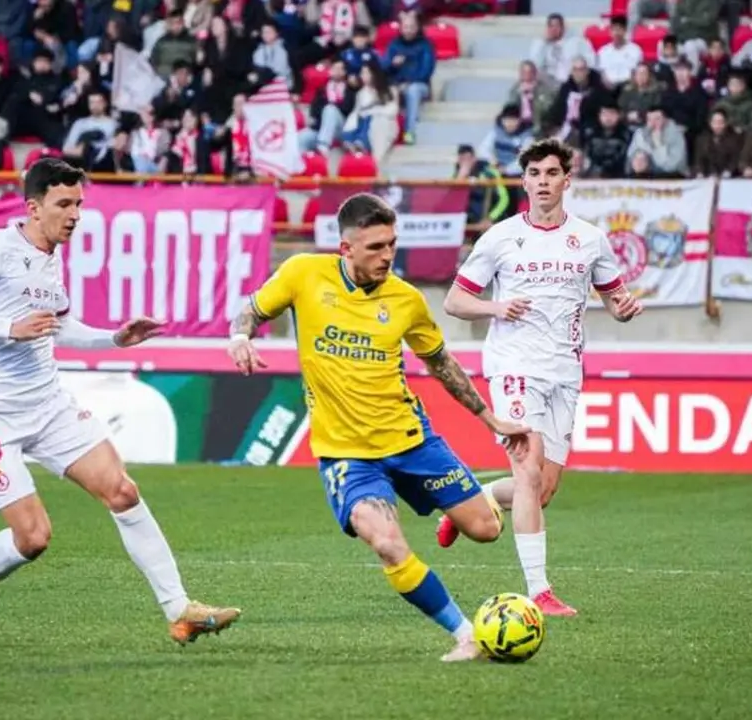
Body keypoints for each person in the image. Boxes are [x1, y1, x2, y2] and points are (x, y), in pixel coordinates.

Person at [0, 158, 240, 649]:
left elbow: (59, 324)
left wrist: (114, 338)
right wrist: (8, 328)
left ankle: (180, 610)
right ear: (34, 207)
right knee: (33, 539)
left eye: (79, 204)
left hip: (48, 403)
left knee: (123, 491)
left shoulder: (51, 255)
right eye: (64, 204)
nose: (74, 214)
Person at [226, 193, 532, 662]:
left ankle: (480, 499)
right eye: (374, 247)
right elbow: (250, 309)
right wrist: (240, 337)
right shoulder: (303, 274)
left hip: (411, 440)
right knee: (388, 544)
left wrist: (490, 418)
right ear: (344, 249)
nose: (387, 256)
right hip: (347, 453)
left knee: (487, 530)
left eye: (391, 244)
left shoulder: (406, 300)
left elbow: (441, 363)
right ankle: (466, 633)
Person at [437, 138, 644, 617]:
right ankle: (539, 592)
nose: (543, 182)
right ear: (524, 180)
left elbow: (615, 301)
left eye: (552, 173)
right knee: (528, 471)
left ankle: (469, 499)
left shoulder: (590, 239)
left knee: (542, 489)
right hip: (514, 367)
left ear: (566, 180)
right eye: (535, 174)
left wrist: (626, 309)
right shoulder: (501, 237)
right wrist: (495, 305)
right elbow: (454, 301)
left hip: (564, 372)